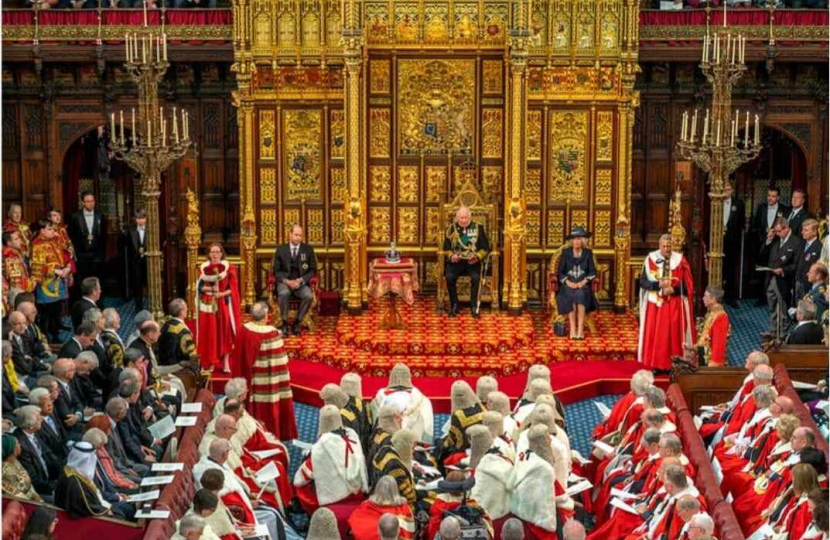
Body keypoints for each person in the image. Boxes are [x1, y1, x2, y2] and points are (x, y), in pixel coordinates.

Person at [232, 301, 297, 440]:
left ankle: (249, 434)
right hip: (270, 385)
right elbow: (281, 363)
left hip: (250, 383)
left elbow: (237, 359)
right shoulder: (272, 333)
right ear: (266, 316)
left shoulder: (243, 331)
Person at [293, 404, 368, 514]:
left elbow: (300, 479)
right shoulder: (352, 436)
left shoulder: (322, 447)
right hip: (358, 492)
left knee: (301, 487)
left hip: (336, 496)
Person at [638, 233, 695, 371]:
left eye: (669, 246)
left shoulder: (680, 260)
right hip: (656, 305)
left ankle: (676, 364)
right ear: (659, 246)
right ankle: (657, 364)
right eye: (664, 246)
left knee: (673, 335)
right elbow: (643, 282)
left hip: (675, 304)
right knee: (658, 336)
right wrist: (658, 286)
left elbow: (688, 285)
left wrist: (673, 290)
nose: (666, 249)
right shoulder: (651, 259)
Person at [507, 424, 557, 540]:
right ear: (542, 441)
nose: (550, 440)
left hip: (519, 512)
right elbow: (546, 503)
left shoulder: (523, 456)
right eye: (547, 437)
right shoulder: (544, 468)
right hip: (539, 523)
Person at [196, 243, 241, 372]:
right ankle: (211, 362)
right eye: (212, 252)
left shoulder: (229, 268)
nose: (215, 254)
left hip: (223, 304)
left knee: (225, 333)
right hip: (208, 305)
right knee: (212, 333)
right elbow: (199, 287)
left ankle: (226, 363)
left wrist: (221, 294)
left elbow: (233, 289)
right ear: (209, 254)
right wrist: (210, 290)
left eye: (217, 252)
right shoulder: (203, 268)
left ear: (221, 253)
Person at [443, 206, 490, 318]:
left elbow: (485, 248)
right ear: (457, 217)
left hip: (472, 262)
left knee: (476, 278)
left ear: (470, 217)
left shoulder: (478, 227)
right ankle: (454, 305)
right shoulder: (451, 229)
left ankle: (473, 306)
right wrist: (452, 256)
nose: (463, 220)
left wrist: (477, 257)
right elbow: (446, 248)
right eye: (461, 218)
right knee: (449, 277)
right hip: (457, 262)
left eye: (465, 218)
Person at [761, 216, 804, 338]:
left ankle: (783, 334)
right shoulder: (775, 239)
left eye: (779, 231)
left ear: (787, 228)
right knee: (772, 306)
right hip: (771, 278)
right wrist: (768, 241)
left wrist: (783, 270)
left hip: (785, 280)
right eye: (776, 231)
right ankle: (774, 331)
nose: (777, 234)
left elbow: (796, 264)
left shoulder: (796, 242)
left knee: (783, 308)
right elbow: (762, 255)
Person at [271, 223, 317, 336]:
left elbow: (313, 270)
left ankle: (297, 321)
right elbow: (276, 271)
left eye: (300, 235)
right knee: (284, 293)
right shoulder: (281, 250)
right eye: (296, 235)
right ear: (290, 234)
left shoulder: (308, 249)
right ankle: (284, 322)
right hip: (285, 282)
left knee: (309, 296)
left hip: (300, 283)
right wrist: (287, 281)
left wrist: (301, 280)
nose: (298, 238)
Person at [370, 363, 434, 444]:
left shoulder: (377, 400)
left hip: (384, 446)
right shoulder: (423, 401)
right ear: (409, 377)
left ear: (391, 377)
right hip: (413, 447)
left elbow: (372, 428)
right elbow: (427, 430)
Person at [31, 221, 73, 341]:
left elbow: (65, 256)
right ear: (42, 230)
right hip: (46, 284)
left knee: (57, 308)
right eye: (50, 229)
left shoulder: (55, 241)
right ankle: (45, 336)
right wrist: (55, 271)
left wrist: (67, 268)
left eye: (54, 229)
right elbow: (37, 266)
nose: (53, 232)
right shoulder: (37, 245)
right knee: (46, 312)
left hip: (58, 281)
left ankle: (55, 333)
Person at [555, 225, 598, 340]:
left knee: (580, 295)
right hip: (568, 285)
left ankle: (580, 330)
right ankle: (573, 329)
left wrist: (583, 281)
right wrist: (568, 282)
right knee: (570, 295)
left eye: (579, 238)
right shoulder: (566, 252)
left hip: (582, 285)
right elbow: (560, 272)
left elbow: (593, 272)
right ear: (571, 241)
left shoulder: (588, 253)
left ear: (583, 240)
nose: (576, 241)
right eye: (574, 239)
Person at [348, 475, 416, 540]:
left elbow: (355, 523)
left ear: (377, 488)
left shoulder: (366, 505)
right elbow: (410, 531)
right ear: (395, 489)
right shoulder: (404, 508)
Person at [14, 405, 60, 498]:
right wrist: (54, 488)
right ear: (30, 426)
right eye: (38, 419)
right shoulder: (20, 444)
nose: (42, 419)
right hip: (39, 490)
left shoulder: (34, 432)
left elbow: (49, 454)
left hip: (50, 478)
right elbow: (33, 478)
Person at [68, 191, 106, 301]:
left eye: (92, 201)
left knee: (97, 281)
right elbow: (72, 237)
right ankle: (83, 303)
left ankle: (98, 303)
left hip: (96, 255)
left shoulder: (100, 215)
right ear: (82, 202)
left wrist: (101, 255)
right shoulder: (75, 216)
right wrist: (75, 255)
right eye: (88, 201)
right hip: (81, 255)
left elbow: (103, 237)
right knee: (82, 281)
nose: (91, 203)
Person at [688, 285, 730, 367]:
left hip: (711, 362)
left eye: (705, 296)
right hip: (704, 356)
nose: (703, 298)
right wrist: (692, 348)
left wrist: (714, 364)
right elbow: (705, 339)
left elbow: (719, 344)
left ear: (713, 299)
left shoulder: (721, 317)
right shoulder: (711, 313)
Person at [722, 182, 746, 303]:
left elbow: (741, 223)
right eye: (724, 189)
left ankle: (729, 296)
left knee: (730, 268)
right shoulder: (716, 201)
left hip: (732, 241)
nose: (726, 191)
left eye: (728, 189)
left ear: (732, 190)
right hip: (718, 241)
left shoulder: (739, 203)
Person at [2, 433, 43, 502]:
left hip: (32, 498)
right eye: (18, 444)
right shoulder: (4, 472)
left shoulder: (16, 462)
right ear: (13, 450)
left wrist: (36, 496)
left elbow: (29, 485)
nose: (20, 445)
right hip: (24, 503)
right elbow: (16, 496)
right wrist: (37, 503)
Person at [157, 298, 198, 367]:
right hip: (179, 369)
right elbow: (191, 355)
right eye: (186, 308)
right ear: (181, 312)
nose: (187, 310)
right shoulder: (184, 331)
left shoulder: (164, 326)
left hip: (162, 366)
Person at [752, 186, 790, 254]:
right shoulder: (761, 208)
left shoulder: (784, 210)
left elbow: (785, 227)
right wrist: (761, 239)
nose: (770, 198)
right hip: (761, 245)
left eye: (773, 196)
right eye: (769, 195)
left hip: (777, 245)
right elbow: (756, 225)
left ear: (778, 198)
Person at [795, 218, 823, 300]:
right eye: (802, 230)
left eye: (806, 230)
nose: (802, 232)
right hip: (798, 281)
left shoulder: (819, 247)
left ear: (814, 232)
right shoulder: (801, 244)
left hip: (809, 285)